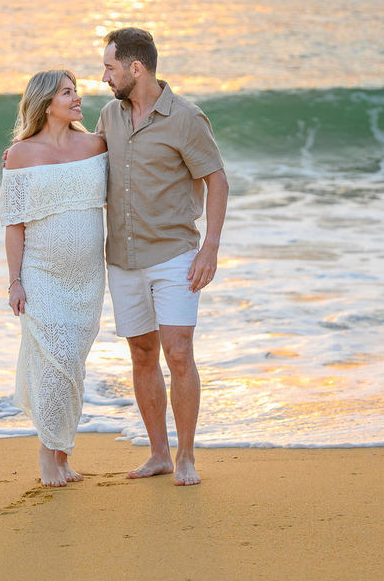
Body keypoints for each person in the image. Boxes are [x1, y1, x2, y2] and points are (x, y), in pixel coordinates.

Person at [96, 27, 228, 486]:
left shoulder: (186, 117)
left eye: (110, 67)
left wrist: (209, 247)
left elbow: (217, 180)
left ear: (136, 68)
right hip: (123, 256)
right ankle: (158, 454)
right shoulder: (109, 115)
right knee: (142, 352)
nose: (105, 76)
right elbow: (83, 163)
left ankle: (187, 455)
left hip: (174, 253)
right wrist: (24, 152)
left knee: (178, 350)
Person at [0, 69, 108, 487]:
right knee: (55, 359)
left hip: (87, 278)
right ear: (46, 102)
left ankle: (64, 455)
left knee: (72, 366)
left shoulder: (97, 146)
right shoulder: (21, 154)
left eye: (76, 90)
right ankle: (48, 455)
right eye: (67, 92)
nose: (77, 97)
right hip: (41, 273)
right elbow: (14, 223)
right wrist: (15, 281)